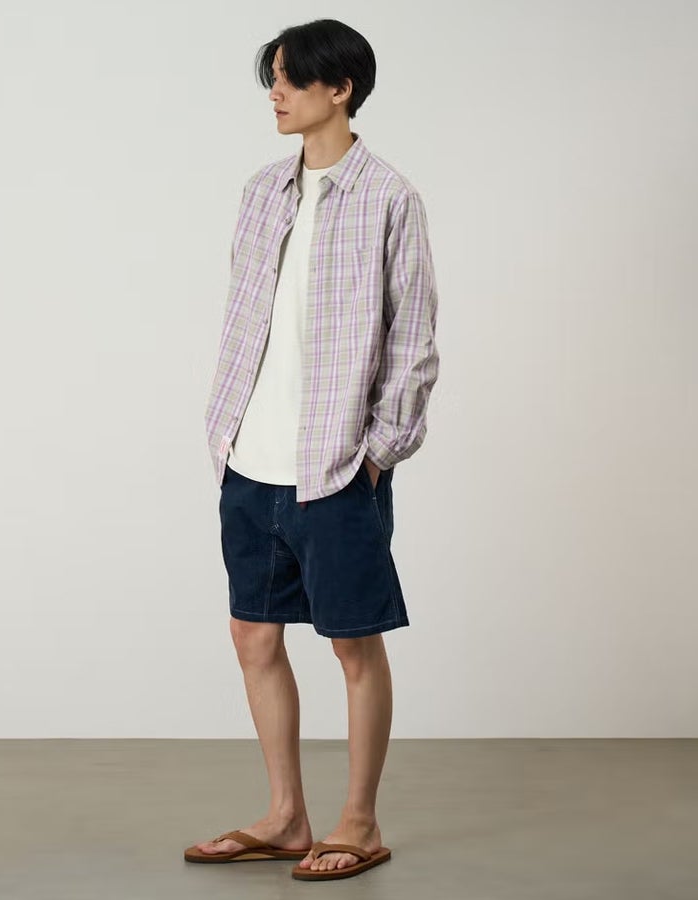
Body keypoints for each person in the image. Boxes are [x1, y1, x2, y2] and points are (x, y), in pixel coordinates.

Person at [185, 18, 440, 881]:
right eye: (275, 78)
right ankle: (286, 816)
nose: (276, 93)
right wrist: (224, 432)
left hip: (335, 467)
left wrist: (379, 453)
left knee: (353, 645)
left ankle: (358, 822)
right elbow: (244, 317)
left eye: (292, 79)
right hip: (249, 461)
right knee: (253, 637)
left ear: (341, 89)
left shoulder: (390, 198)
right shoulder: (263, 189)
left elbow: (414, 342)